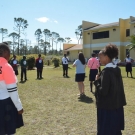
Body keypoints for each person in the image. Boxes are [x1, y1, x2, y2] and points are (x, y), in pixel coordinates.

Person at [94, 44, 126, 135]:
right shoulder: (117, 69)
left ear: (107, 57)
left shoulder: (106, 72)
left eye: (100, 57)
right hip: (116, 105)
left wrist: (97, 81)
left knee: (105, 130)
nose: (99, 60)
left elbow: (103, 91)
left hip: (106, 107)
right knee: (115, 130)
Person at [0, 42, 24, 135]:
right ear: (5, 52)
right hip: (7, 104)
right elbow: (12, 90)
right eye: (9, 52)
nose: (10, 55)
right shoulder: (6, 67)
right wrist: (19, 107)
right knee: (8, 130)